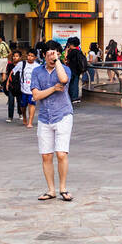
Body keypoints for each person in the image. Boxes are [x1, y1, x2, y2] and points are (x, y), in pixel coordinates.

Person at [31, 44, 74, 202]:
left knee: (61, 154)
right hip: (44, 117)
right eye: (49, 54)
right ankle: (51, 190)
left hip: (63, 114)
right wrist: (53, 89)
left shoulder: (64, 69)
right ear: (43, 55)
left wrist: (57, 61)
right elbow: (36, 95)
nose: (51, 56)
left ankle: (63, 188)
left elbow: (63, 80)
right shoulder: (37, 71)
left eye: (54, 53)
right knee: (46, 156)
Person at [65, 37, 86, 104]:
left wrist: (66, 51)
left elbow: (66, 59)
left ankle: (72, 97)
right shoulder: (79, 51)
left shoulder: (72, 52)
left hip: (71, 70)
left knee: (71, 84)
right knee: (76, 83)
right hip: (78, 70)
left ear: (71, 44)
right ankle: (76, 97)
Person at [5, 49, 23, 123]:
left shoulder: (22, 65)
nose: (15, 58)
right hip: (11, 86)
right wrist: (7, 83)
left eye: (17, 56)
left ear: (20, 57)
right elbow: (8, 75)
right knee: (11, 101)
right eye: (14, 56)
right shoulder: (9, 65)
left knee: (19, 101)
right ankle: (10, 116)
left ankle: (20, 113)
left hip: (19, 86)